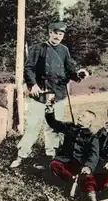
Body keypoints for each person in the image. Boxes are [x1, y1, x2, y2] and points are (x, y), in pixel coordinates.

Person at [10, 21, 89, 168]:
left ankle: (51, 155)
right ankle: (22, 154)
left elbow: (70, 70)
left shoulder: (64, 50)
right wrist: (32, 85)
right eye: (55, 33)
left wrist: (79, 74)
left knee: (54, 125)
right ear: (50, 33)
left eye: (60, 34)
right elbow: (29, 68)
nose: (57, 36)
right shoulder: (38, 48)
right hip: (40, 92)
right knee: (33, 125)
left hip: (58, 92)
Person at [45, 103, 108, 201]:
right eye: (80, 115)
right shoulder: (70, 127)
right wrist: (50, 111)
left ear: (89, 122)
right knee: (54, 165)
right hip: (65, 162)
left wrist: (88, 167)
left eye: (83, 116)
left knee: (87, 175)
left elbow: (94, 155)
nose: (79, 117)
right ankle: (74, 182)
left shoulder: (92, 137)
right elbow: (53, 123)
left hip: (80, 165)